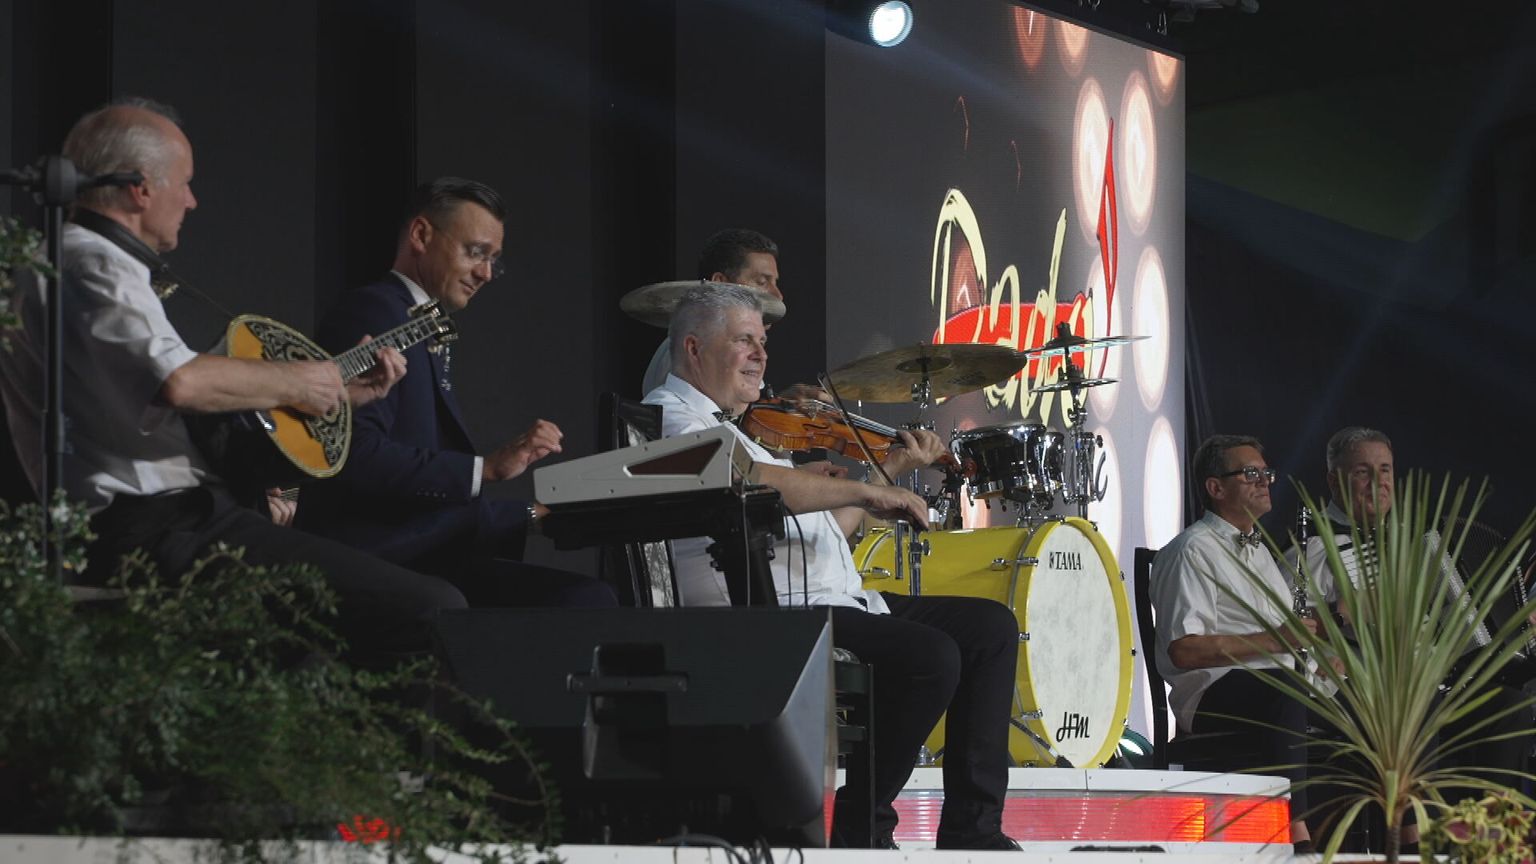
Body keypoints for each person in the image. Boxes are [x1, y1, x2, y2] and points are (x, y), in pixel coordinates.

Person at [0, 98, 464, 656]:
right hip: (157, 529)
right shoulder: (91, 261)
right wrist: (302, 380)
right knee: (434, 610)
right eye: (185, 183)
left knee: (329, 645)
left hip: (170, 522)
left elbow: (164, 400)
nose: (192, 201)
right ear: (140, 188)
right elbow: (181, 381)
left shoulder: (80, 262)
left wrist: (339, 394)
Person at [642, 284, 1020, 851]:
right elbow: (750, 481)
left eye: (762, 341)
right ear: (694, 348)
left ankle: (974, 830)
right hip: (762, 608)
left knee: (990, 628)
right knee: (929, 657)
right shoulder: (670, 416)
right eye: (744, 340)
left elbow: (829, 532)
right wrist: (867, 493)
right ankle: (861, 827)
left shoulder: (739, 427)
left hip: (834, 598)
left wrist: (888, 471)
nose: (761, 354)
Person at [295, 177, 614, 608]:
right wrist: (487, 471)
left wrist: (531, 514)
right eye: (476, 252)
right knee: (582, 601)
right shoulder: (375, 312)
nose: (486, 274)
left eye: (493, 260)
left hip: (424, 556)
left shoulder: (415, 320)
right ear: (421, 235)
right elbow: (354, 456)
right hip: (378, 561)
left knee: (588, 597)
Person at [1150, 434, 1316, 846]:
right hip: (1213, 696)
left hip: (1272, 688)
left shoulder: (1260, 550)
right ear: (1216, 487)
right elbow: (1183, 649)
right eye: (1251, 474)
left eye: (1266, 473)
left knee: (1355, 701)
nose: (1265, 482)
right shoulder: (1191, 550)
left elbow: (1284, 638)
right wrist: (1276, 641)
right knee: (1287, 688)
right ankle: (1297, 833)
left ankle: (1391, 837)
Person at [640, 228, 781, 395]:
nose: (778, 295)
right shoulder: (682, 353)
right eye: (762, 282)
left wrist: (783, 404)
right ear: (720, 284)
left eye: (775, 283)